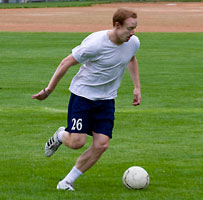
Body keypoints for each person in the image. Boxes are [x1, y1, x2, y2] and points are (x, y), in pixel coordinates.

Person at [32, 8, 141, 191]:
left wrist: (137, 86)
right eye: (130, 28)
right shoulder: (95, 44)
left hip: (106, 100)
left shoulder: (132, 42)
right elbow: (66, 62)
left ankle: (66, 182)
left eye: (135, 28)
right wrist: (48, 90)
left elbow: (131, 59)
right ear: (117, 25)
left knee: (102, 144)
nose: (133, 33)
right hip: (83, 96)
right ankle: (60, 134)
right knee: (77, 143)